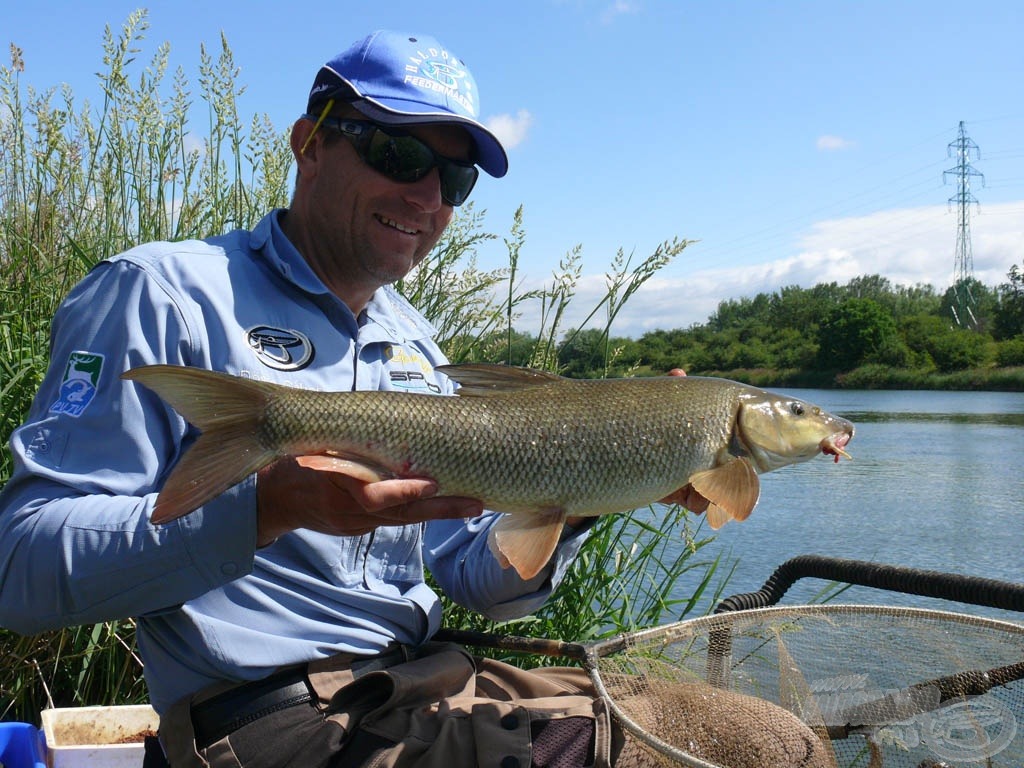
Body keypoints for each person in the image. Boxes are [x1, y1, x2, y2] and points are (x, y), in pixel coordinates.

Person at [0, 30, 828, 768]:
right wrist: (265, 509)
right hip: (268, 721)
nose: (427, 198)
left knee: (775, 738)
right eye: (398, 156)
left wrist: (592, 488)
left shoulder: (416, 344)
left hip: (423, 681)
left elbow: (475, 577)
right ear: (309, 144)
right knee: (670, 753)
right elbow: (22, 570)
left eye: (455, 177)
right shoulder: (163, 294)